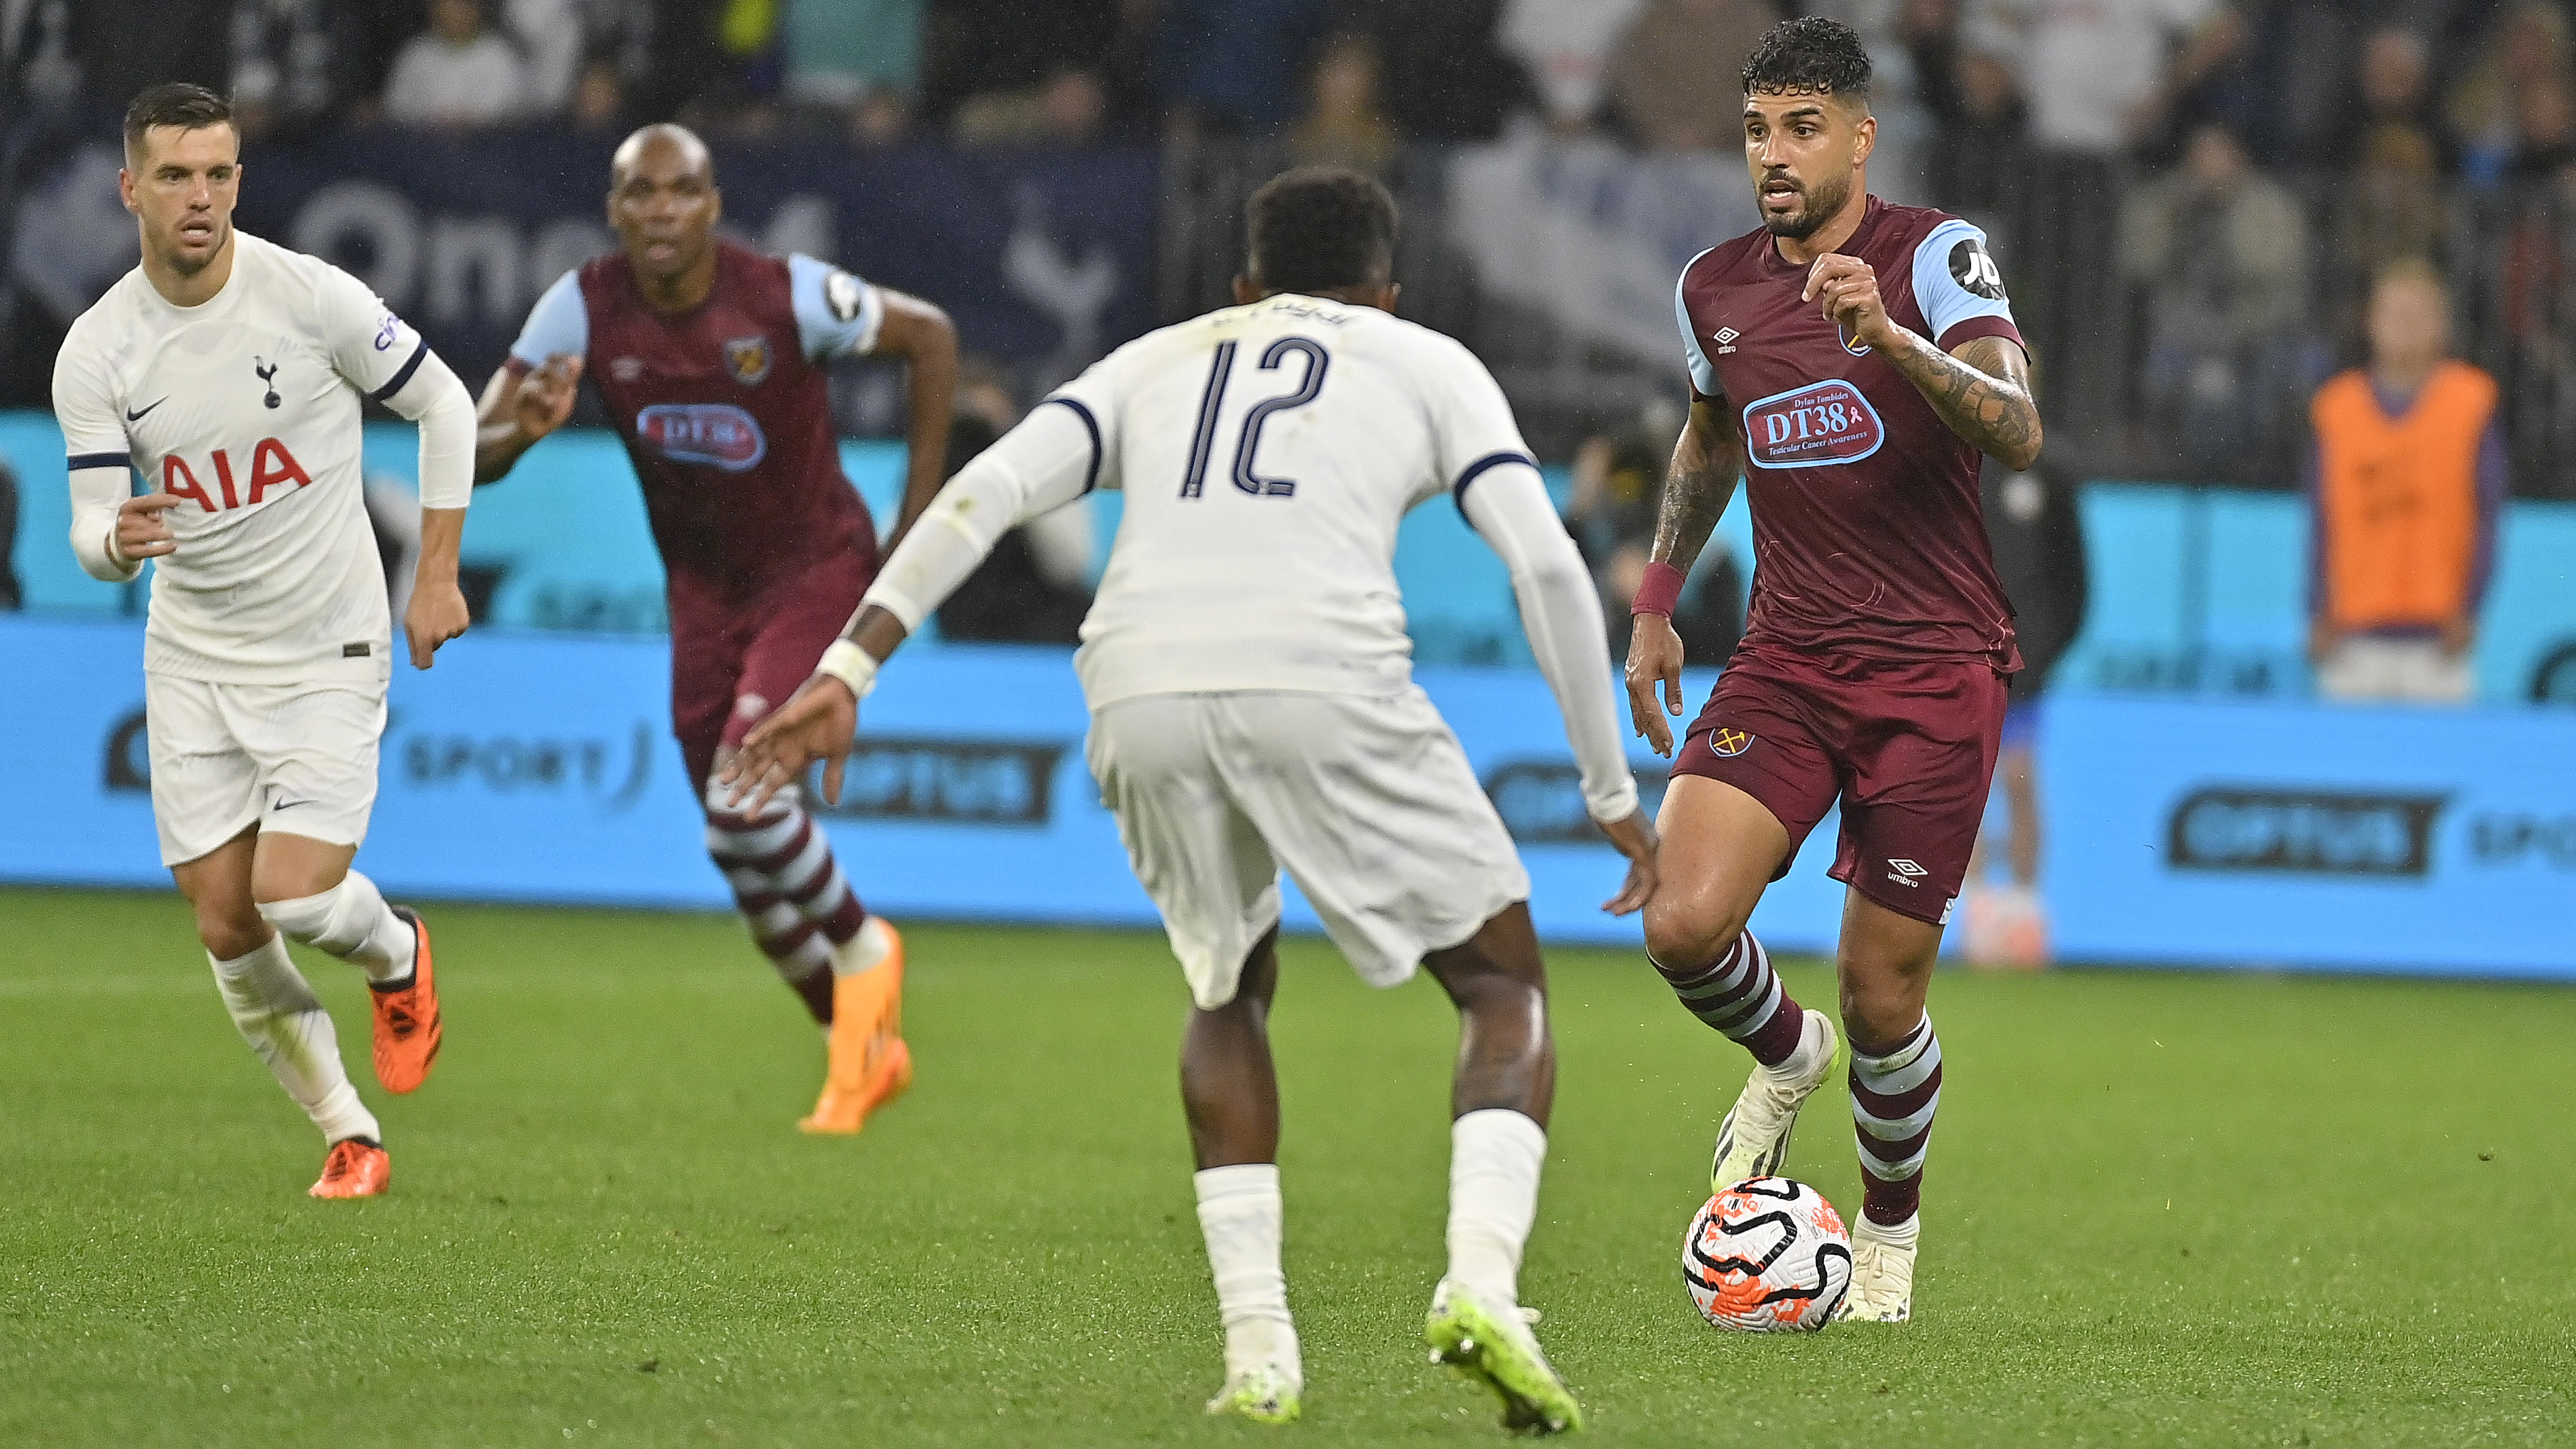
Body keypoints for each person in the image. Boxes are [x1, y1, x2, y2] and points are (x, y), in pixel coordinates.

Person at [726, 166, 1657, 1432]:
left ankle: (1259, 1351)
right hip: (1322, 672)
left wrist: (849, 664)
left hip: (1137, 681)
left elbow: (981, 490)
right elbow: (1545, 559)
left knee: (1227, 985)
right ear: (1386, 289)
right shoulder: (1423, 357)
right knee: (1501, 985)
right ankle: (1482, 1282)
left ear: (1243, 288)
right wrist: (1608, 786)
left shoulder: (1153, 359)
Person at [1628, 18, 2041, 1325]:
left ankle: (1887, 1232)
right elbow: (1710, 437)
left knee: (1883, 992)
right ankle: (1782, 1050)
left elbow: (2020, 426)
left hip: (1935, 670)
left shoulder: (1934, 254)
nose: (1774, 154)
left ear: (1861, 137)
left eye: (1803, 127)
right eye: (1757, 128)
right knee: (1682, 923)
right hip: (1786, 657)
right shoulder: (1714, 287)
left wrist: (1895, 341)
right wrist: (1652, 600)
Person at [473, 123, 958, 1135]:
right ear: (613, 209)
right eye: (638, 193)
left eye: (680, 192)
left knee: (741, 808)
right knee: (732, 844)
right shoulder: (579, 308)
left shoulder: (786, 295)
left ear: (712, 203)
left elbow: (931, 336)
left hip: (813, 570)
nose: (659, 211)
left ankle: (864, 946)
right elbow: (474, 450)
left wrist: (917, 522)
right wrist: (515, 434)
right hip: (701, 593)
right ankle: (861, 1046)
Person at [51, 84, 477, 1199]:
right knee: (227, 919)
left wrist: (434, 571)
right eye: (178, 176)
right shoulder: (98, 350)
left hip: (329, 644)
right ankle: (349, 1132)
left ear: (239, 179)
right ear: (130, 187)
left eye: (220, 173)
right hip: (191, 658)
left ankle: (397, 951)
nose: (201, 197)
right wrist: (116, 541)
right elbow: (89, 528)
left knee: (292, 894)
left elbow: (447, 406)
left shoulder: (311, 297)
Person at [2306, 258, 2505, 705]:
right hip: (2353, 637)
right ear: (2370, 322)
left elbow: (2488, 516)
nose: (2405, 326)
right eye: (2393, 313)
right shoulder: (2336, 409)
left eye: (2418, 315)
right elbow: (2320, 520)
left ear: (2442, 326)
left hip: (2437, 642)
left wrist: (2470, 608)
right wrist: (2315, 611)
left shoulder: (2470, 402)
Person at [1959, 445, 2087, 968]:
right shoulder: (1951, 456)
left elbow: (2074, 576)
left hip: (2023, 661)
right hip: (1958, 656)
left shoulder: (2048, 470)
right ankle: (1976, 912)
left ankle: (2027, 905)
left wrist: (2045, 647)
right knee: (1964, 784)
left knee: (2016, 776)